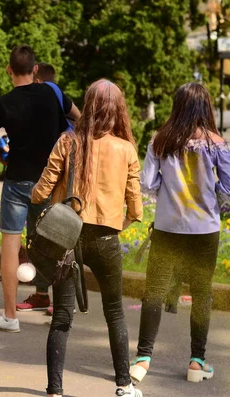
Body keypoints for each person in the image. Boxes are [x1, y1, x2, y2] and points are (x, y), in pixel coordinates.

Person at [32, 79, 143, 397]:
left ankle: (55, 390)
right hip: (106, 239)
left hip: (66, 237)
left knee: (63, 316)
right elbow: (135, 208)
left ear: (89, 105)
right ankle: (124, 384)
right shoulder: (126, 149)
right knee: (115, 311)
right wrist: (116, 222)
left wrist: (38, 193)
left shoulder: (68, 142)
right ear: (118, 110)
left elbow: (40, 191)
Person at [130, 82, 230, 385]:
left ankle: (142, 360)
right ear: (205, 107)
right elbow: (228, 186)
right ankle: (197, 362)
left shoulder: (161, 139)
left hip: (168, 228)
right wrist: (213, 195)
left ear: (177, 105)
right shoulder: (217, 142)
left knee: (154, 293)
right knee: (201, 295)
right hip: (204, 229)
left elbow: (146, 183)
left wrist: (169, 191)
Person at [0, 45, 80, 332]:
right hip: (49, 182)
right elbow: (80, 120)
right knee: (56, 243)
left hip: (16, 183)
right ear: (35, 70)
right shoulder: (50, 93)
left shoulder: (1, 104)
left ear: (9, 70)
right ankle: (61, 311)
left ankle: (10, 317)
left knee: (10, 247)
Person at [16, 62, 74, 315]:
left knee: (38, 235)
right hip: (62, 178)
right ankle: (54, 296)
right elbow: (81, 120)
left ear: (36, 78)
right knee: (59, 234)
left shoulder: (43, 93)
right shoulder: (58, 95)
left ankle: (43, 295)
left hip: (40, 176)